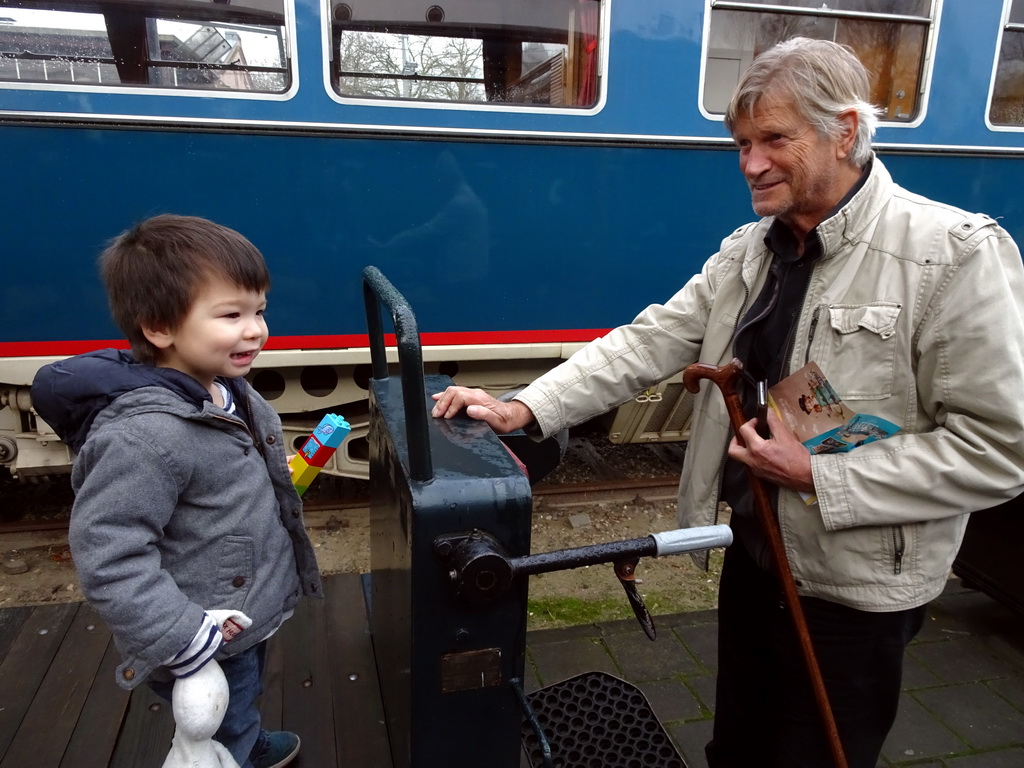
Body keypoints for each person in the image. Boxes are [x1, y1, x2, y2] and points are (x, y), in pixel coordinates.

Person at [431, 37, 1024, 768]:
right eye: (741, 143)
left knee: (815, 754)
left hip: (855, 587)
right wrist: (527, 407)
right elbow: (651, 338)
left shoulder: (954, 253)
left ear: (845, 130)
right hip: (756, 554)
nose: (750, 164)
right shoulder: (752, 249)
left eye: (775, 139)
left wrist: (820, 476)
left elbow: (1000, 449)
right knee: (738, 745)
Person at [31, 215, 322, 768]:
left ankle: (246, 739)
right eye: (231, 315)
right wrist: (182, 637)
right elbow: (109, 555)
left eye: (259, 310)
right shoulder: (144, 436)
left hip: (241, 610)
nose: (256, 329)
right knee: (218, 725)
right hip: (198, 627)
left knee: (240, 702)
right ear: (161, 328)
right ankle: (238, 752)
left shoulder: (225, 389)